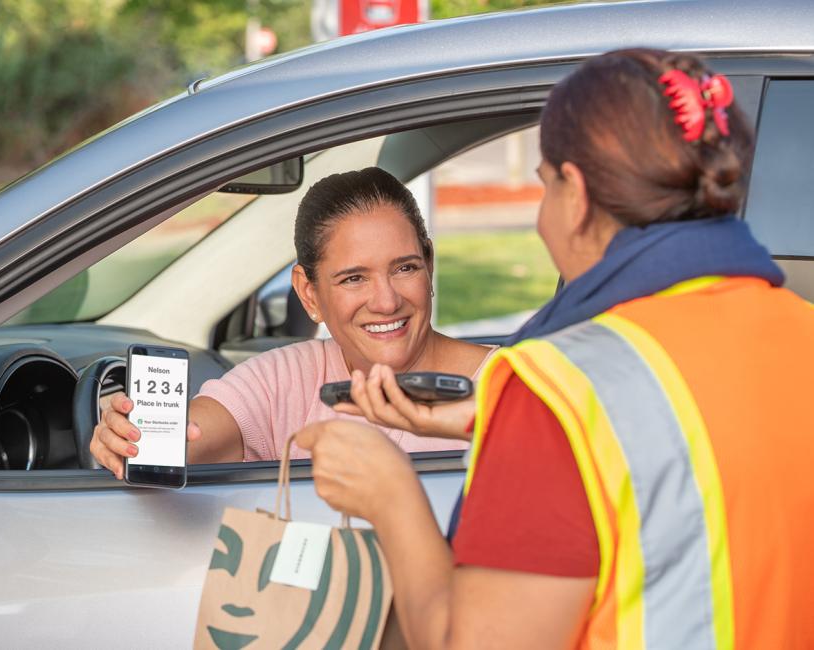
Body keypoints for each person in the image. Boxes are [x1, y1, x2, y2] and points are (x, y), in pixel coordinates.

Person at [297, 48, 814, 648]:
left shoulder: (562, 391)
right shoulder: (798, 330)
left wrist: (391, 495)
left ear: (577, 191)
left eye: (544, 188)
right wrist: (499, 422)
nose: (543, 221)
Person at [89, 167, 492, 479]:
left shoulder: (515, 383)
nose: (386, 301)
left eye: (404, 268)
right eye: (354, 278)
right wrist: (131, 438)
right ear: (309, 293)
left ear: (430, 266)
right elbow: (191, 437)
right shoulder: (288, 378)